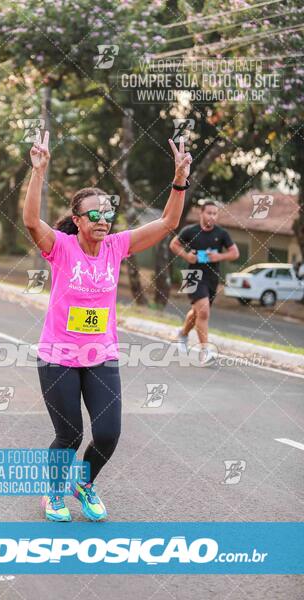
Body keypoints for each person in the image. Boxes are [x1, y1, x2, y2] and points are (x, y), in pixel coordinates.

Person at [23, 131, 192, 522]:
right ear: (78, 220)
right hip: (58, 357)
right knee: (70, 435)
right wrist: (39, 171)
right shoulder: (61, 248)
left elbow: (168, 222)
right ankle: (54, 495)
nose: (103, 219)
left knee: (108, 434)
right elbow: (32, 220)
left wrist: (179, 177)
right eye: (93, 214)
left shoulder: (117, 246)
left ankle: (84, 483)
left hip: (101, 356)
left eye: (107, 212)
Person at [170, 200, 239, 362]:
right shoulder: (190, 231)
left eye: (215, 213)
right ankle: (205, 351)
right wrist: (187, 256)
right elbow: (174, 245)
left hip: (211, 278)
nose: (212, 216)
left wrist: (219, 256)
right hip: (192, 275)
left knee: (197, 312)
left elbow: (234, 253)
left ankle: (183, 334)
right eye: (209, 213)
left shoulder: (221, 234)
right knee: (204, 312)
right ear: (201, 213)